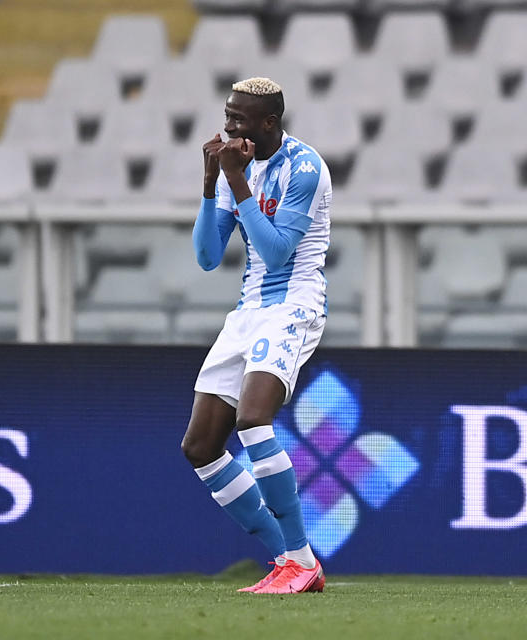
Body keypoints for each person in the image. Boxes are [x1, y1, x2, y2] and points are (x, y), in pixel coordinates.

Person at [181, 77, 331, 594]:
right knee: (200, 445)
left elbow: (276, 253)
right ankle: (291, 558)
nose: (228, 128)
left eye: (239, 119)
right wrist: (210, 185)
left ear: (269, 123)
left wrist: (235, 180)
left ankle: (301, 563)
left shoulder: (305, 168)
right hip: (248, 310)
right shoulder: (231, 169)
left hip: (294, 305)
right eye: (227, 116)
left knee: (252, 418)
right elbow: (205, 258)